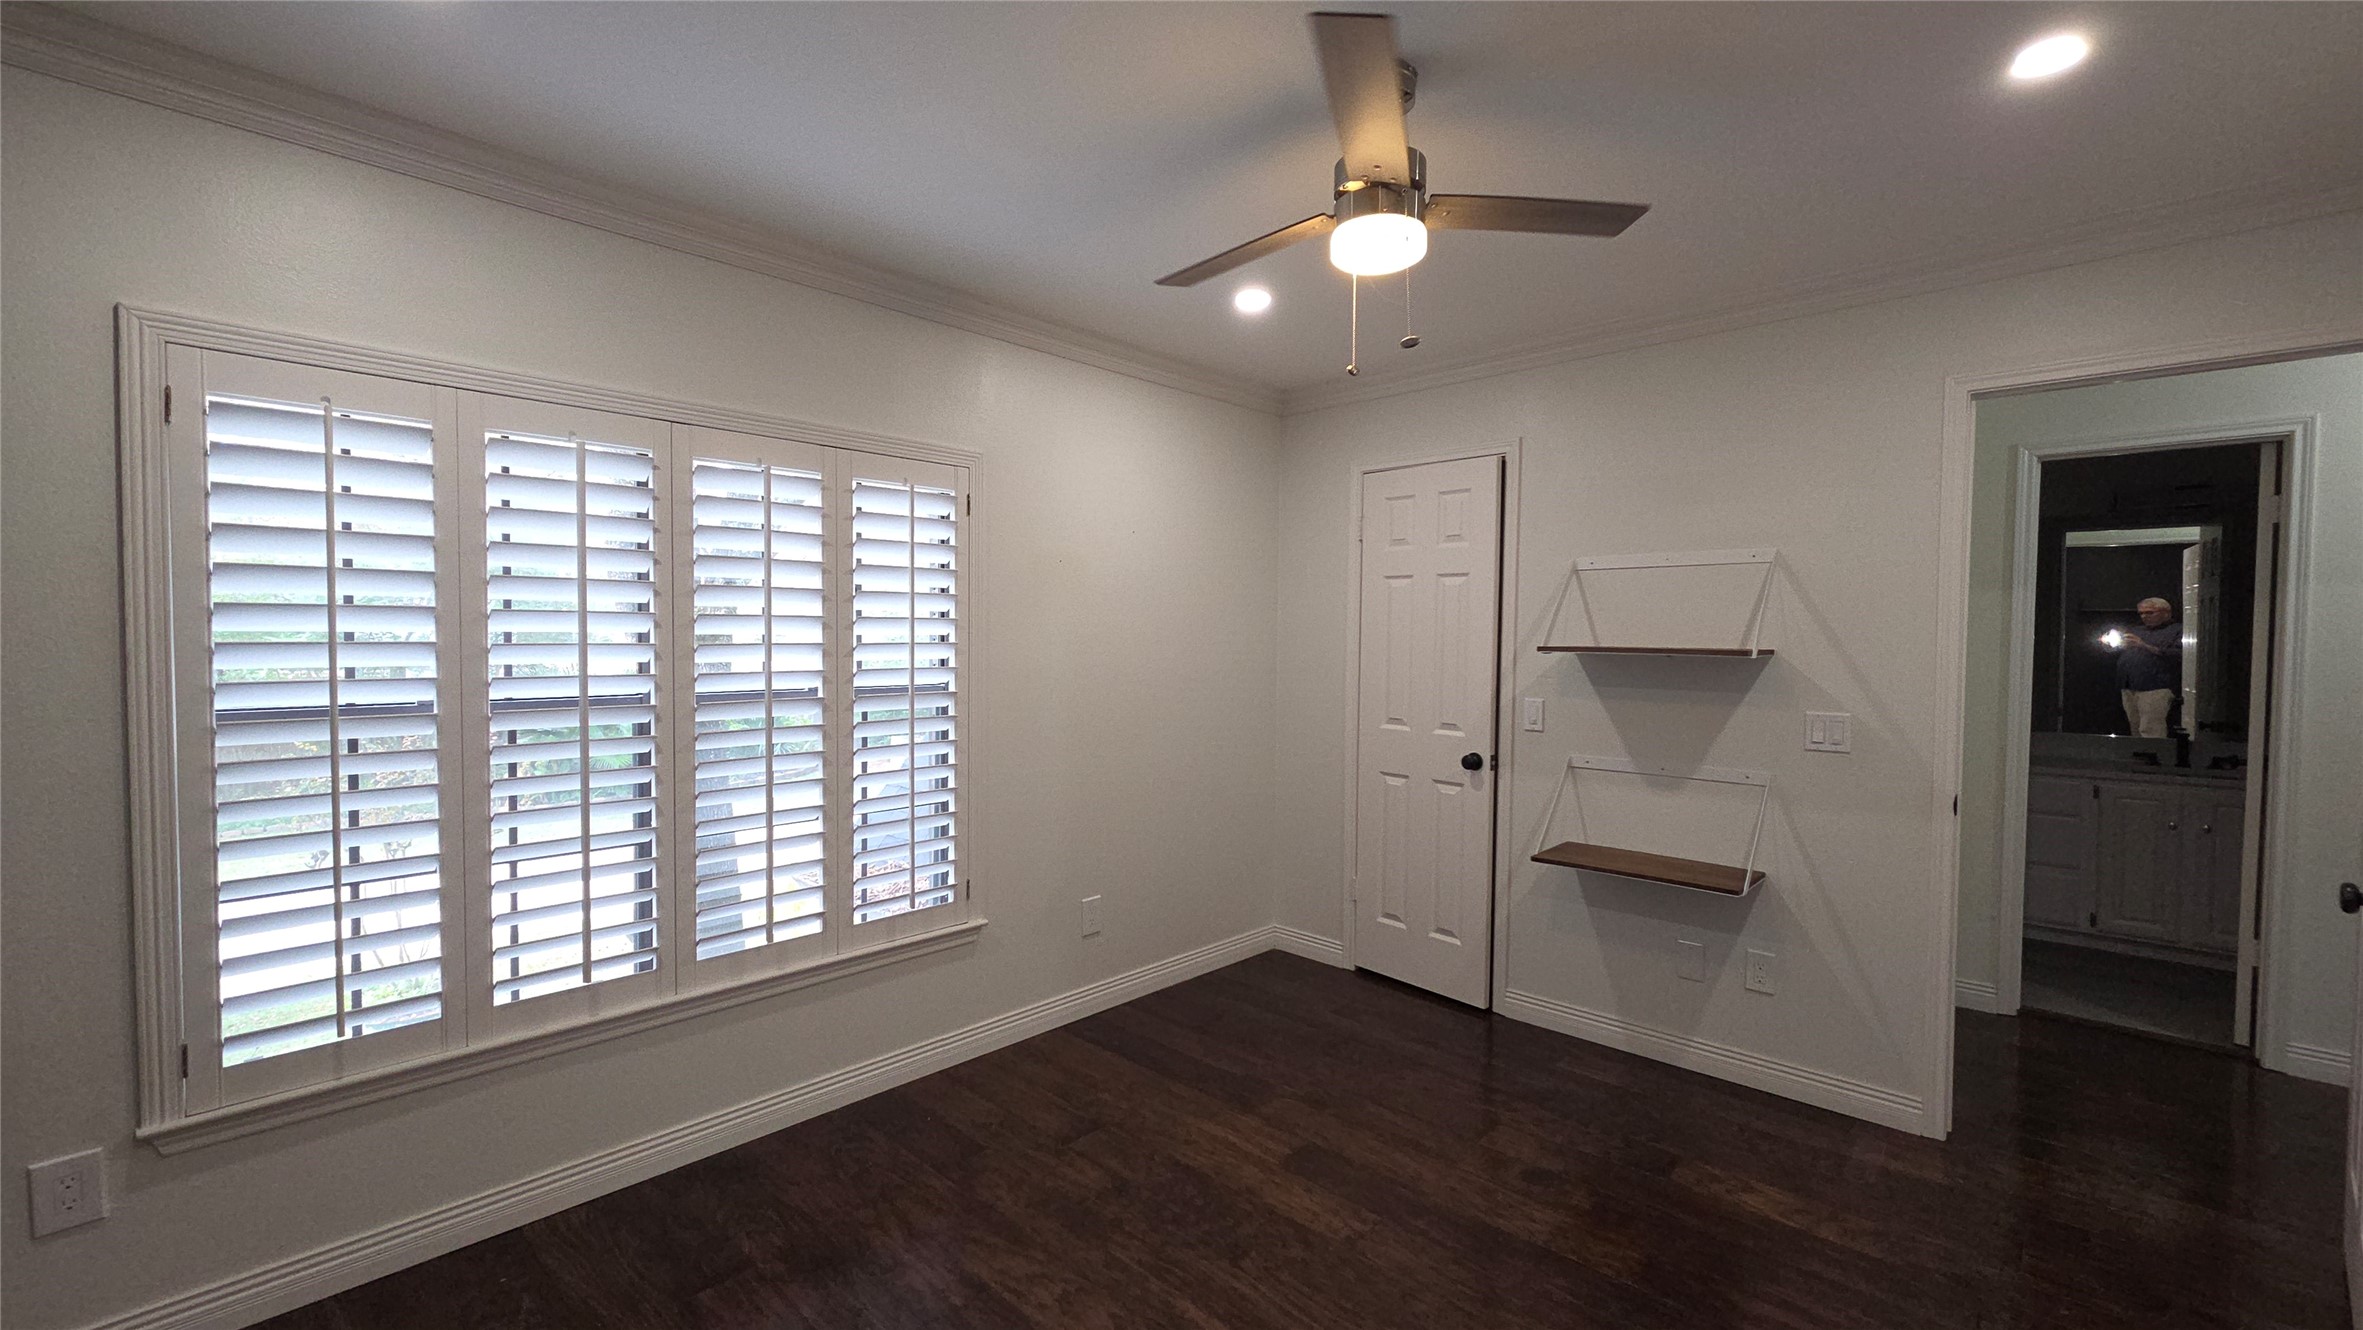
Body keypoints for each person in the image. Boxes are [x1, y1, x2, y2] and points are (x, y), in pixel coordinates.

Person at [2116, 596, 2182, 738]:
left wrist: (2143, 645)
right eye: (2141, 613)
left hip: (2156, 686)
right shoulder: (2136, 630)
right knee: (2135, 727)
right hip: (2129, 685)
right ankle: (2139, 756)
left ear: (2166, 613)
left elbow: (2178, 654)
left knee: (2150, 728)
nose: (2144, 616)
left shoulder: (2177, 630)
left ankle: (2156, 757)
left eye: (2150, 612)